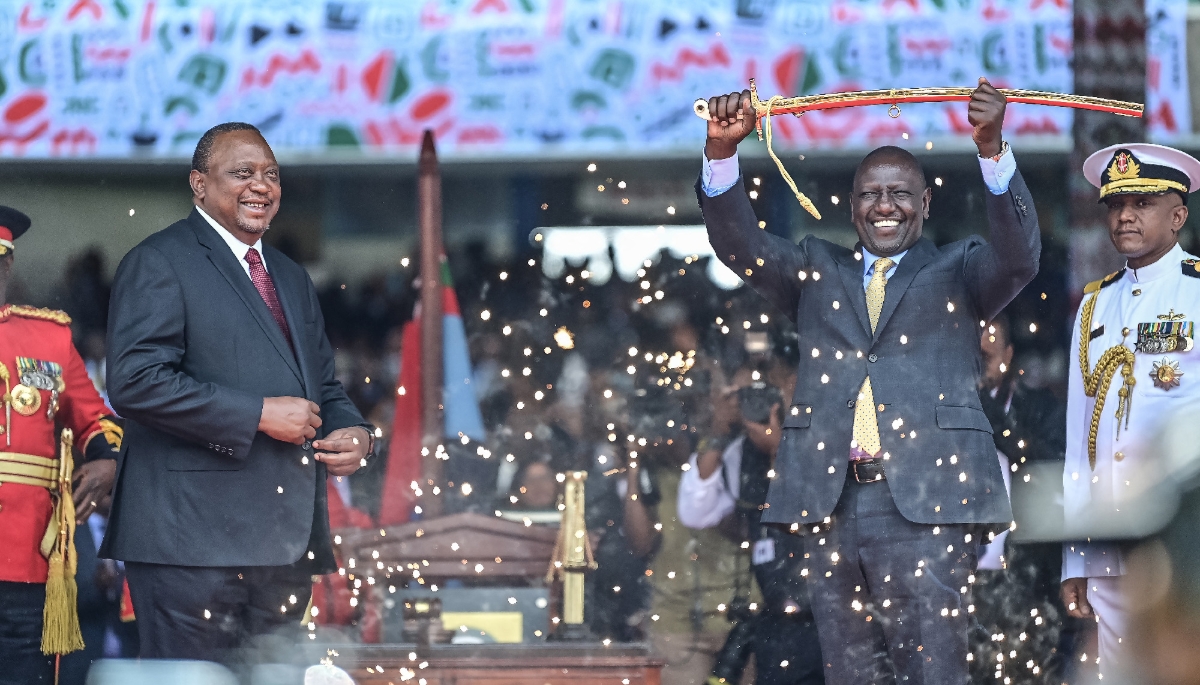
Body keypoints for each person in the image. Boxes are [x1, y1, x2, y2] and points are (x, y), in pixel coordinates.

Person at [698, 78, 1040, 683]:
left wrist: (992, 149)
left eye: (899, 194)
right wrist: (722, 154)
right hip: (832, 502)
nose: (885, 206)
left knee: (932, 669)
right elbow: (739, 247)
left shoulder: (958, 269)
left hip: (929, 503)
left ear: (926, 203)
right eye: (870, 195)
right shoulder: (815, 268)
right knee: (850, 671)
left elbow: (1019, 257)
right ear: (851, 205)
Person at [101, 123, 373, 666]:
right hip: (190, 544)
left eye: (271, 174)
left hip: (282, 542)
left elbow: (323, 387)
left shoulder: (292, 277)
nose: (261, 186)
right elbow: (134, 382)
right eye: (242, 172)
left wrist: (357, 432)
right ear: (198, 184)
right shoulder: (159, 261)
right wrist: (257, 414)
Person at [1060, 143, 1200, 675]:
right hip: (1112, 538)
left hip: (1186, 535)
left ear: (1178, 216)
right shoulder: (1094, 306)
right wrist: (1075, 557)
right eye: (1116, 205)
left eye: (1142, 203)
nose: (1124, 216)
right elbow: (1079, 442)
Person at [0, 205, 122, 684]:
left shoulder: (48, 339)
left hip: (31, 555)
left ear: (6, 265)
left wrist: (107, 461)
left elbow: (97, 420)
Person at [679, 379, 824, 685]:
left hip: (823, 615)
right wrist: (717, 432)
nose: (758, 407)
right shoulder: (737, 454)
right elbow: (695, 513)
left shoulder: (818, 443)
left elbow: (811, 516)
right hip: (773, 618)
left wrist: (780, 451)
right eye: (747, 398)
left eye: (765, 396)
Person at [970, 313, 1069, 683]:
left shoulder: (1038, 407)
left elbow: (1048, 471)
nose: (977, 366)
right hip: (959, 580)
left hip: (1024, 579)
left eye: (986, 357)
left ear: (1008, 355)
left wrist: (985, 408)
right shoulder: (937, 415)